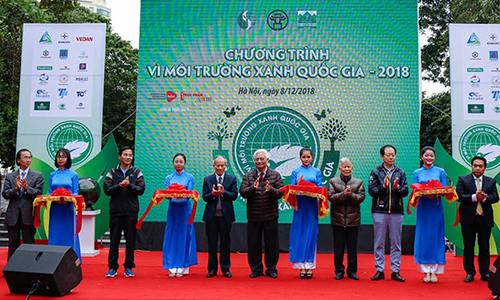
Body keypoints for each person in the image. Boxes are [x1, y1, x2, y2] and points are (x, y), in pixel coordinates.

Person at [240, 149, 283, 279]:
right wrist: (253, 188)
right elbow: (242, 192)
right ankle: (256, 269)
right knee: (253, 244)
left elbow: (281, 192)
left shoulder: (275, 175)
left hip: (271, 215)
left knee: (272, 244)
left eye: (262, 159)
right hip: (254, 216)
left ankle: (271, 268)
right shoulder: (248, 176)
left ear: (267, 160)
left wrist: (271, 191)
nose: (259, 161)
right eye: (257, 159)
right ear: (254, 161)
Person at [103, 146, 146, 278]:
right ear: (119, 156)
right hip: (116, 212)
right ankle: (112, 267)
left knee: (130, 241)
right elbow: (107, 190)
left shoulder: (137, 172)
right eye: (125, 155)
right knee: (114, 240)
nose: (128, 157)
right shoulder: (112, 172)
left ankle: (129, 267)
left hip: (131, 212)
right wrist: (119, 186)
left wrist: (129, 185)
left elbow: (141, 189)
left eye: (130, 155)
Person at [368, 145, 408, 282]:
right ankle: (379, 269)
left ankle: (395, 271)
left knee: (396, 243)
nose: (391, 157)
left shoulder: (400, 172)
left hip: (397, 211)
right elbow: (371, 191)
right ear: (382, 156)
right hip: (380, 210)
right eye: (388, 155)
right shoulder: (375, 172)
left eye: (393, 155)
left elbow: (405, 191)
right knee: (379, 242)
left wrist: (397, 188)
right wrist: (383, 187)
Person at [457, 156, 499, 283]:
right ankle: (470, 272)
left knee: (484, 247)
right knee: (468, 246)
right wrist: (475, 197)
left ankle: (485, 272)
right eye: (475, 165)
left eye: (480, 166)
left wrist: (484, 198)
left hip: (484, 218)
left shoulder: (490, 181)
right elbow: (459, 196)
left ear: (485, 168)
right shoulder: (463, 179)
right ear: (471, 166)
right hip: (468, 218)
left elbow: (495, 197)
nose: (477, 168)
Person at [412, 146, 448, 283]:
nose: (429, 158)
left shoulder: (441, 172)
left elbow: (444, 189)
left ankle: (436, 271)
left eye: (431, 156)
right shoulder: (417, 172)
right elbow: (415, 189)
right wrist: (425, 192)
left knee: (436, 237)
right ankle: (426, 271)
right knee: (424, 237)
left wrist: (437, 193)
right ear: (421, 157)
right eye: (426, 155)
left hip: (436, 208)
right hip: (423, 208)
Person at [2, 149, 44, 260]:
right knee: (13, 244)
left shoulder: (37, 175)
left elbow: (38, 194)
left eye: (30, 157)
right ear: (18, 160)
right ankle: (11, 271)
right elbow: (5, 194)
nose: (28, 160)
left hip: (29, 215)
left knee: (29, 244)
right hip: (13, 215)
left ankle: (30, 271)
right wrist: (16, 189)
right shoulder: (10, 176)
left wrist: (26, 188)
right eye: (25, 157)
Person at [328, 157, 365, 280]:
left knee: (352, 248)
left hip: (353, 221)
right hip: (337, 220)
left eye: (349, 167)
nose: (347, 169)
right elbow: (331, 197)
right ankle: (339, 270)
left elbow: (361, 198)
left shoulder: (358, 182)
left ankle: (352, 271)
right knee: (338, 248)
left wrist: (351, 195)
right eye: (344, 167)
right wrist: (343, 195)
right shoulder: (332, 181)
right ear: (339, 168)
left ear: (352, 168)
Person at [288, 147, 322, 279]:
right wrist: (300, 190)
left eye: (308, 157)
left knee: (311, 234)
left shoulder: (317, 172)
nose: (306, 159)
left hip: (312, 207)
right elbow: (292, 189)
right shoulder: (295, 172)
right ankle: (301, 266)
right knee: (299, 234)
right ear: (300, 158)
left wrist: (311, 190)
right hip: (299, 207)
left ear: (312, 158)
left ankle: (310, 266)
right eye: (304, 157)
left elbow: (319, 189)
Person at [202, 155, 238, 278]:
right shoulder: (207, 179)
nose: (220, 168)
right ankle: (212, 269)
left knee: (225, 243)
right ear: (214, 166)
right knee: (212, 243)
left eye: (222, 165)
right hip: (211, 217)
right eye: (218, 165)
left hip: (225, 217)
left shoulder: (231, 179)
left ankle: (225, 268)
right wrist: (212, 194)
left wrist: (224, 192)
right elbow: (204, 197)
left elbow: (234, 196)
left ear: (226, 166)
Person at [163, 153, 198, 277]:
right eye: (176, 161)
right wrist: (173, 194)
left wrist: (180, 194)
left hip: (185, 211)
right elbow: (166, 194)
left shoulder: (189, 177)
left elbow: (190, 193)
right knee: (172, 236)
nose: (178, 164)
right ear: (173, 163)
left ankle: (184, 265)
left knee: (184, 236)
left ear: (184, 163)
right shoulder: (168, 178)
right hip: (173, 210)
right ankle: (171, 265)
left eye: (181, 161)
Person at [48, 148, 81, 261]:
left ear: (68, 159)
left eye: (63, 156)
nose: (61, 159)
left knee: (69, 233)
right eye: (58, 156)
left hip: (68, 208)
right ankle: (53, 259)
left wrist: (67, 199)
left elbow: (75, 192)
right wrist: (56, 199)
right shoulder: (52, 174)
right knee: (55, 233)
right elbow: (49, 192)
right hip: (55, 208)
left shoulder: (73, 174)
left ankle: (72, 259)